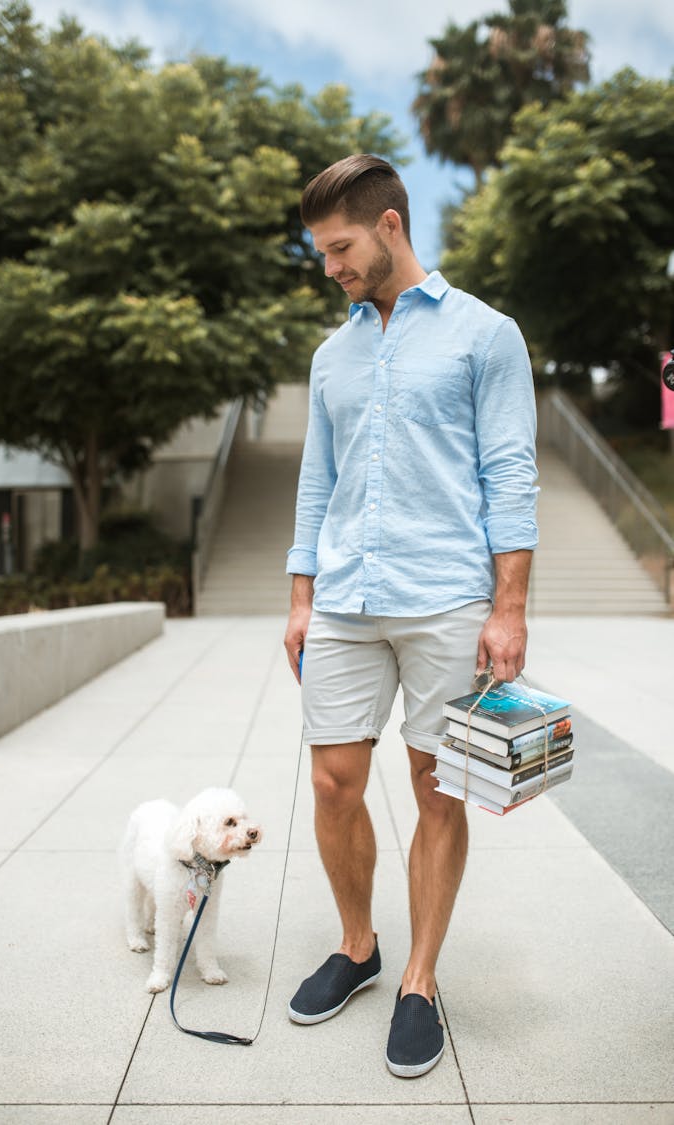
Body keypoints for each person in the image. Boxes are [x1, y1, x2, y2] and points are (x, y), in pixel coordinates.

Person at [283, 154, 538, 1078]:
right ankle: (359, 946)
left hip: (447, 596)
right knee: (332, 783)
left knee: (437, 786)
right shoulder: (331, 353)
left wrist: (508, 609)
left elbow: (510, 473)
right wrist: (302, 594)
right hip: (346, 596)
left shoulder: (486, 335)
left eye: (341, 247)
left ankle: (419, 980)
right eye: (321, 252)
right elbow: (319, 479)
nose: (332, 267)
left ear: (389, 225)